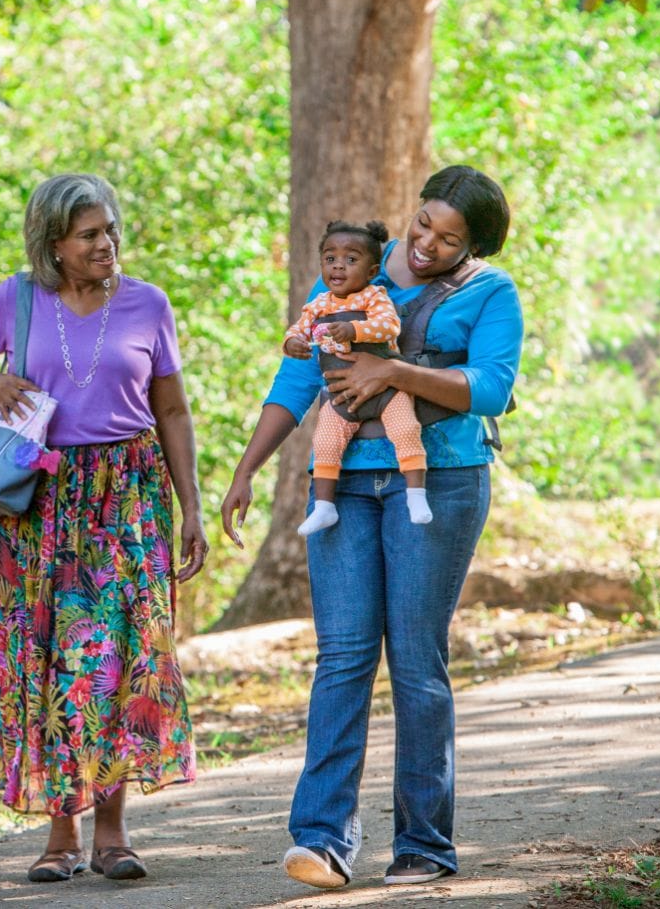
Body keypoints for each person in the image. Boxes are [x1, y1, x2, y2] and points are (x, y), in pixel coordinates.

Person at [221, 165, 522, 888]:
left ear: (473, 245)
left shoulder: (490, 294)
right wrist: (247, 468)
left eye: (448, 239)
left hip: (439, 479)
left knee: (416, 660)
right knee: (344, 655)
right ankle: (322, 838)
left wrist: (394, 374)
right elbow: (298, 380)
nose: (426, 244)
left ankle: (423, 844)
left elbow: (492, 388)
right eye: (424, 223)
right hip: (345, 485)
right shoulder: (351, 268)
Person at [0, 173, 207, 884]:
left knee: (121, 658)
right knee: (51, 660)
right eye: (90, 234)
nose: (106, 243)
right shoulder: (16, 300)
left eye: (111, 229)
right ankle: (59, 835)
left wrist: (192, 506)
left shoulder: (149, 303)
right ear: (54, 244)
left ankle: (113, 833)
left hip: (129, 496)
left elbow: (174, 412)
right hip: (42, 501)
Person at [284, 219, 430, 536]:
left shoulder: (374, 296)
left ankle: (416, 495)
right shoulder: (318, 305)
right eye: (330, 258)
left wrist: (354, 329)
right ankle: (324, 507)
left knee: (406, 428)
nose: (338, 266)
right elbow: (299, 329)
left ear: (371, 270)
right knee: (325, 441)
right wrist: (292, 342)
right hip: (342, 395)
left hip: (387, 390)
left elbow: (389, 327)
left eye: (351, 260)